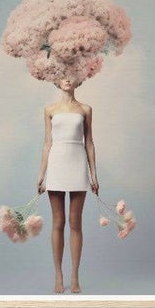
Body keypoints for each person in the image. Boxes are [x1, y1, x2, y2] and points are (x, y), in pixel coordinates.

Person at [35, 78, 99, 294]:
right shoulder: (49, 109)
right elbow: (47, 143)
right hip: (57, 162)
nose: (67, 79)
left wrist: (94, 175)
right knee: (58, 222)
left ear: (78, 80)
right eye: (63, 75)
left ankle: (75, 276)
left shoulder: (86, 109)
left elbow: (89, 143)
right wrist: (41, 175)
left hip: (77, 162)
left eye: (72, 75)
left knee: (75, 222)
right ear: (56, 80)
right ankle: (58, 275)